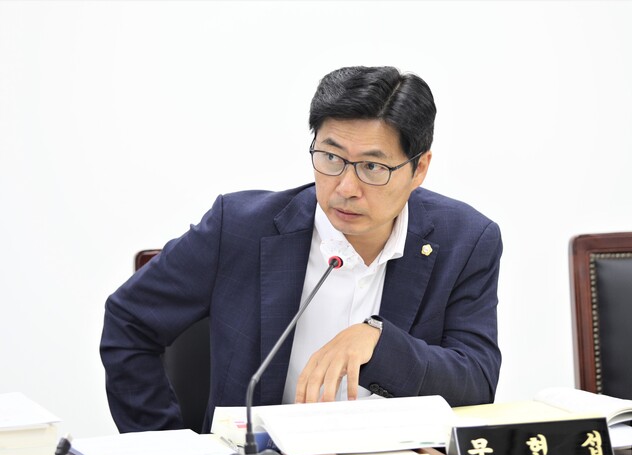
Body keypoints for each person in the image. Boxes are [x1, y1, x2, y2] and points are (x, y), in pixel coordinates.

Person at [100, 66, 503, 433]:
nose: (346, 187)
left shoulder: (465, 241)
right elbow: (129, 320)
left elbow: (477, 380)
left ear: (419, 168)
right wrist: (164, 448)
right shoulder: (238, 228)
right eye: (331, 157)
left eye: (372, 167)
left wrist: (379, 345)